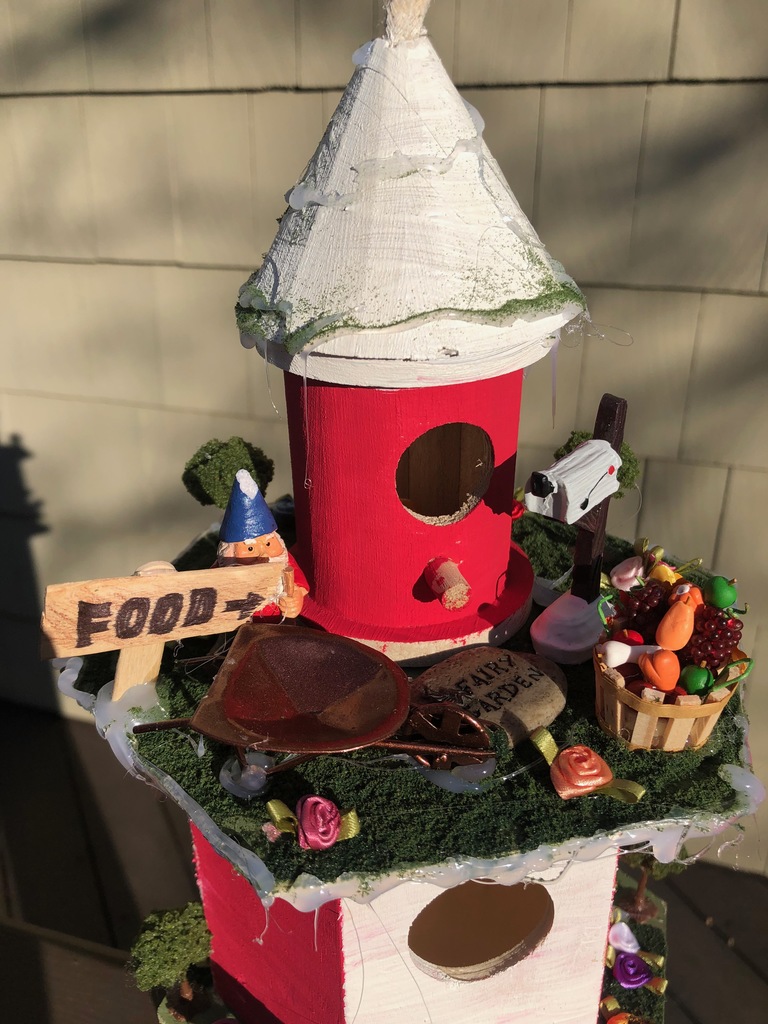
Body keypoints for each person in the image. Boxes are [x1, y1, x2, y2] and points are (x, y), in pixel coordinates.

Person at [217, 469, 308, 619]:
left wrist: (294, 601)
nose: (263, 554)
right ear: (230, 553)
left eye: (268, 544)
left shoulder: (284, 562)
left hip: (279, 625)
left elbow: (300, 587)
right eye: (250, 548)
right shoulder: (221, 572)